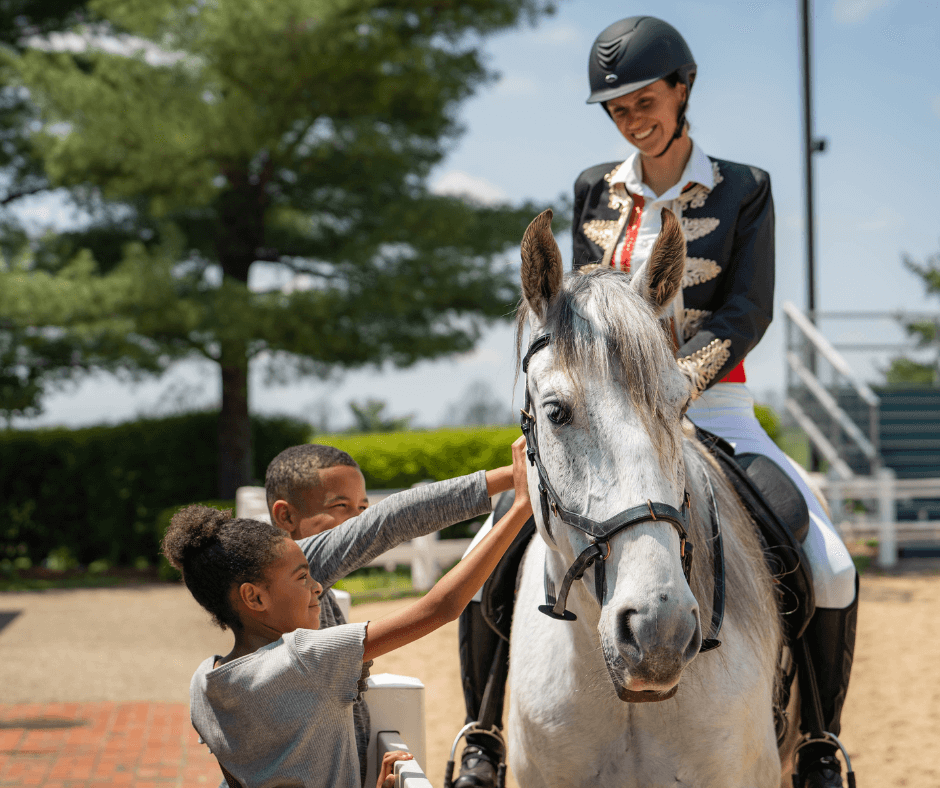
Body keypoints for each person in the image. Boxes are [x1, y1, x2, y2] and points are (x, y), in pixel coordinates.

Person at [454, 16, 858, 788]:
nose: (634, 120)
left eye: (645, 101)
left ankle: (818, 746)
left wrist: (680, 382)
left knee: (830, 563)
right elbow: (577, 307)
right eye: (618, 110)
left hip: (713, 407)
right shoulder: (591, 191)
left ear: (683, 89)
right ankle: (482, 735)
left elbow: (748, 311)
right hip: (608, 413)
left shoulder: (746, 188)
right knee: (492, 551)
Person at [164, 436, 532, 788]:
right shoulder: (305, 653)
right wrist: (518, 500)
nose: (317, 586)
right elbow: (436, 602)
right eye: (342, 508)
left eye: (361, 509)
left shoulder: (204, 681)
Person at [261, 442, 515, 787]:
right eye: (342, 507)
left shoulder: (316, 591)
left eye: (363, 508)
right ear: (286, 516)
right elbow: (390, 520)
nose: (358, 520)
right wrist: (515, 477)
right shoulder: (299, 565)